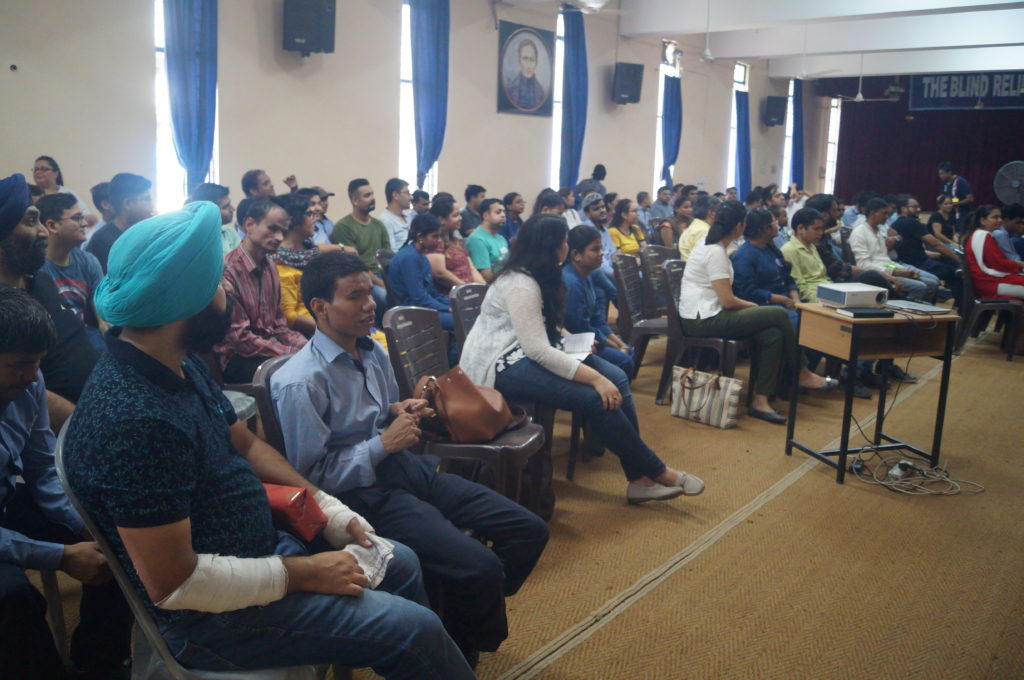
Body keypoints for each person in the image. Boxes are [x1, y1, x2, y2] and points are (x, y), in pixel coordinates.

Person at [64, 203, 474, 679]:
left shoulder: (174, 358)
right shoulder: (136, 421)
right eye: (217, 284)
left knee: (398, 561)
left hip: (261, 550)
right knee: (414, 629)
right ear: (185, 303)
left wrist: (327, 508)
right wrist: (304, 573)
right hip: (214, 618)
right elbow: (176, 584)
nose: (226, 292)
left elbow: (247, 446)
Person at [272, 251, 547, 666]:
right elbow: (313, 478)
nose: (370, 305)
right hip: (363, 496)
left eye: (369, 293)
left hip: (406, 471)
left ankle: (457, 616)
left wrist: (398, 410)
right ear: (320, 308)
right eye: (355, 296)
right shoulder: (301, 381)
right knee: (481, 567)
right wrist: (383, 444)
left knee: (528, 529)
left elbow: (374, 418)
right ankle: (459, 643)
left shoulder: (373, 353)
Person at [460, 215, 705, 504]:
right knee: (595, 396)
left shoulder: (539, 274)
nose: (566, 245)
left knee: (618, 377)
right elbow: (538, 350)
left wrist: (577, 343)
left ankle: (638, 479)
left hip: (524, 349)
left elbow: (543, 327)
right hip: (499, 364)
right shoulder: (521, 283)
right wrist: (595, 379)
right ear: (551, 247)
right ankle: (657, 472)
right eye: (564, 240)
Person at [0, 286, 132, 680]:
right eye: (19, 365)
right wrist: (59, 556)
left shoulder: (30, 383)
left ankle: (99, 662)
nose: (32, 377)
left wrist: (80, 525)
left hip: (7, 499)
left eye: (37, 364)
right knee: (13, 598)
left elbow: (42, 468)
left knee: (114, 535)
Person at [677, 201, 837, 425]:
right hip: (703, 319)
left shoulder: (714, 245)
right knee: (778, 315)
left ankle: (760, 401)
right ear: (740, 226)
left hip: (707, 313)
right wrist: (757, 308)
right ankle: (801, 371)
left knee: (773, 334)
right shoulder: (715, 252)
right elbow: (728, 300)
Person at [0, 174, 99, 422]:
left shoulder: (40, 280)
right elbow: (26, 388)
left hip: (98, 399)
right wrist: (85, 426)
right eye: (31, 222)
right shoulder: (5, 308)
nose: (44, 232)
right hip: (72, 423)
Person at [214, 199, 307, 383]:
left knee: (319, 359)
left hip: (269, 348)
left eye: (283, 231)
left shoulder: (270, 266)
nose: (280, 237)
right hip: (238, 359)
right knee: (301, 373)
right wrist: (291, 354)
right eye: (272, 229)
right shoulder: (229, 270)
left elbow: (279, 325)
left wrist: (307, 347)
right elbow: (240, 339)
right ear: (249, 224)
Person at [271, 193, 347, 338]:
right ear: (293, 221)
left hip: (333, 317)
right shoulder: (281, 262)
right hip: (316, 331)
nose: (315, 218)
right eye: (309, 214)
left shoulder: (310, 250)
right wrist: (335, 327)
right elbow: (290, 316)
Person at [38, 193, 107, 351]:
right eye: (77, 218)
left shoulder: (88, 261)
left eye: (82, 217)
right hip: (51, 339)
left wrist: (108, 329)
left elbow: (101, 311)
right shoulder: (35, 265)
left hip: (85, 334)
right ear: (52, 226)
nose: (84, 223)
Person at [563, 225, 633, 377]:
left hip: (590, 337)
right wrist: (616, 346)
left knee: (628, 351)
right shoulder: (572, 284)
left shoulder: (587, 276)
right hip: (577, 344)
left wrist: (621, 345)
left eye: (601, 248)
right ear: (576, 254)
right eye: (595, 249)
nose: (602, 253)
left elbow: (598, 320)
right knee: (624, 360)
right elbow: (582, 329)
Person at [849, 197, 937, 302]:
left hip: (888, 269)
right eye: (884, 213)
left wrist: (900, 269)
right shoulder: (859, 232)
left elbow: (885, 261)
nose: (887, 217)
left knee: (932, 283)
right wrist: (894, 272)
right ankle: (909, 312)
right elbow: (864, 265)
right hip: (877, 275)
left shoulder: (879, 230)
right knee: (919, 287)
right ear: (872, 213)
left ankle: (926, 312)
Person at [730, 208, 801, 328]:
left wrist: (795, 297)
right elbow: (747, 291)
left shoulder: (771, 249)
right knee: (800, 324)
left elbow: (787, 277)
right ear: (765, 229)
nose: (777, 224)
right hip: (763, 306)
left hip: (786, 301)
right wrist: (781, 299)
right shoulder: (744, 256)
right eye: (775, 223)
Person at [330, 179, 391, 315]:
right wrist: (382, 283)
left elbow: (388, 257)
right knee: (385, 297)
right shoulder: (344, 227)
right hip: (361, 279)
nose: (373, 198)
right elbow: (355, 266)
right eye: (367, 195)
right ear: (355, 200)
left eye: (372, 194)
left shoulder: (379, 225)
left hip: (383, 276)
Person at [387, 213, 455, 333]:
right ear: (420, 237)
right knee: (460, 321)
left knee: (464, 314)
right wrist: (448, 308)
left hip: (423, 308)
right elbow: (419, 299)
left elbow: (432, 293)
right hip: (412, 313)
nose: (439, 241)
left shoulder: (421, 257)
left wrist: (454, 304)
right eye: (435, 236)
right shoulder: (409, 258)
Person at [892, 194, 962, 307]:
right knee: (956, 272)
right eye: (914, 207)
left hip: (913, 261)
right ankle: (961, 308)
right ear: (904, 208)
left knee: (946, 261)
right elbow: (936, 243)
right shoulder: (911, 222)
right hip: (919, 264)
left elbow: (915, 250)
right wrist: (959, 259)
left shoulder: (896, 223)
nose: (918, 210)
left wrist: (939, 256)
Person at [85, 172, 153, 273]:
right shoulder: (102, 243)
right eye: (147, 199)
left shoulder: (146, 233)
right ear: (128, 203)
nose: (151, 204)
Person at [964, 205, 1024, 301]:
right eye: (995, 217)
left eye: (1000, 217)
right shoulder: (984, 235)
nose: (1000, 220)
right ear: (983, 220)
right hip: (989, 283)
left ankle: (1007, 316)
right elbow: (997, 264)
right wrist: (1019, 264)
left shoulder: (979, 234)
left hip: (986, 280)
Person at [427, 195, 484, 294]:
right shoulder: (435, 243)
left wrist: (484, 289)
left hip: (469, 293)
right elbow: (440, 273)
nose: (461, 218)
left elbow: (471, 269)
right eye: (455, 215)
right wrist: (467, 290)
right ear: (441, 219)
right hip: (452, 297)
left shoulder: (458, 242)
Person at [30, 155, 97, 227]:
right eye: (36, 169)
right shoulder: (29, 194)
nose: (38, 172)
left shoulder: (67, 193)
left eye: (44, 169)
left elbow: (88, 217)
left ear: (56, 173)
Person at [465, 198, 509, 283]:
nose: (503, 215)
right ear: (486, 215)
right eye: (498, 212)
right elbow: (486, 277)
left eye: (504, 212)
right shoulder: (477, 240)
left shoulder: (501, 238)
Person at [186, 182, 238, 254]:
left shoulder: (229, 232)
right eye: (226, 206)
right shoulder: (194, 238)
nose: (233, 209)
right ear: (209, 210)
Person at [505, 37, 547, 110]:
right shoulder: (510, 89)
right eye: (525, 58)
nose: (529, 64)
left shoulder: (541, 92)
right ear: (519, 60)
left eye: (532, 59)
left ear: (536, 62)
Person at [677, 194, 721, 261]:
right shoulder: (704, 231)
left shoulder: (695, 226)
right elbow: (709, 260)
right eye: (721, 211)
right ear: (712, 213)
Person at [937, 161, 973, 232]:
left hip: (962, 214)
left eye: (942, 173)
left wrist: (954, 204)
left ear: (949, 172)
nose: (940, 176)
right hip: (950, 214)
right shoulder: (944, 183)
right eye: (939, 174)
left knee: (961, 233)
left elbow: (970, 199)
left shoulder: (961, 182)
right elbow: (944, 195)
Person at [380, 178, 412, 251]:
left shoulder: (408, 217)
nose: (411, 197)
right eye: (407, 193)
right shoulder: (385, 220)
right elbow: (392, 252)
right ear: (395, 195)